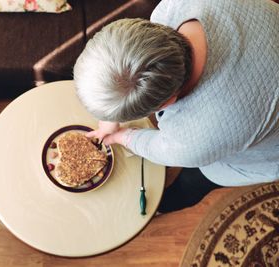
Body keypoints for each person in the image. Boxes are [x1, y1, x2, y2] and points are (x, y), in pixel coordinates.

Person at [73, 0, 279, 212]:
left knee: (193, 182)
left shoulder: (195, 139)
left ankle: (166, 204)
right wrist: (112, 115)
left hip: (267, 151)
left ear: (166, 103)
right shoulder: (175, 6)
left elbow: (161, 149)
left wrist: (119, 137)